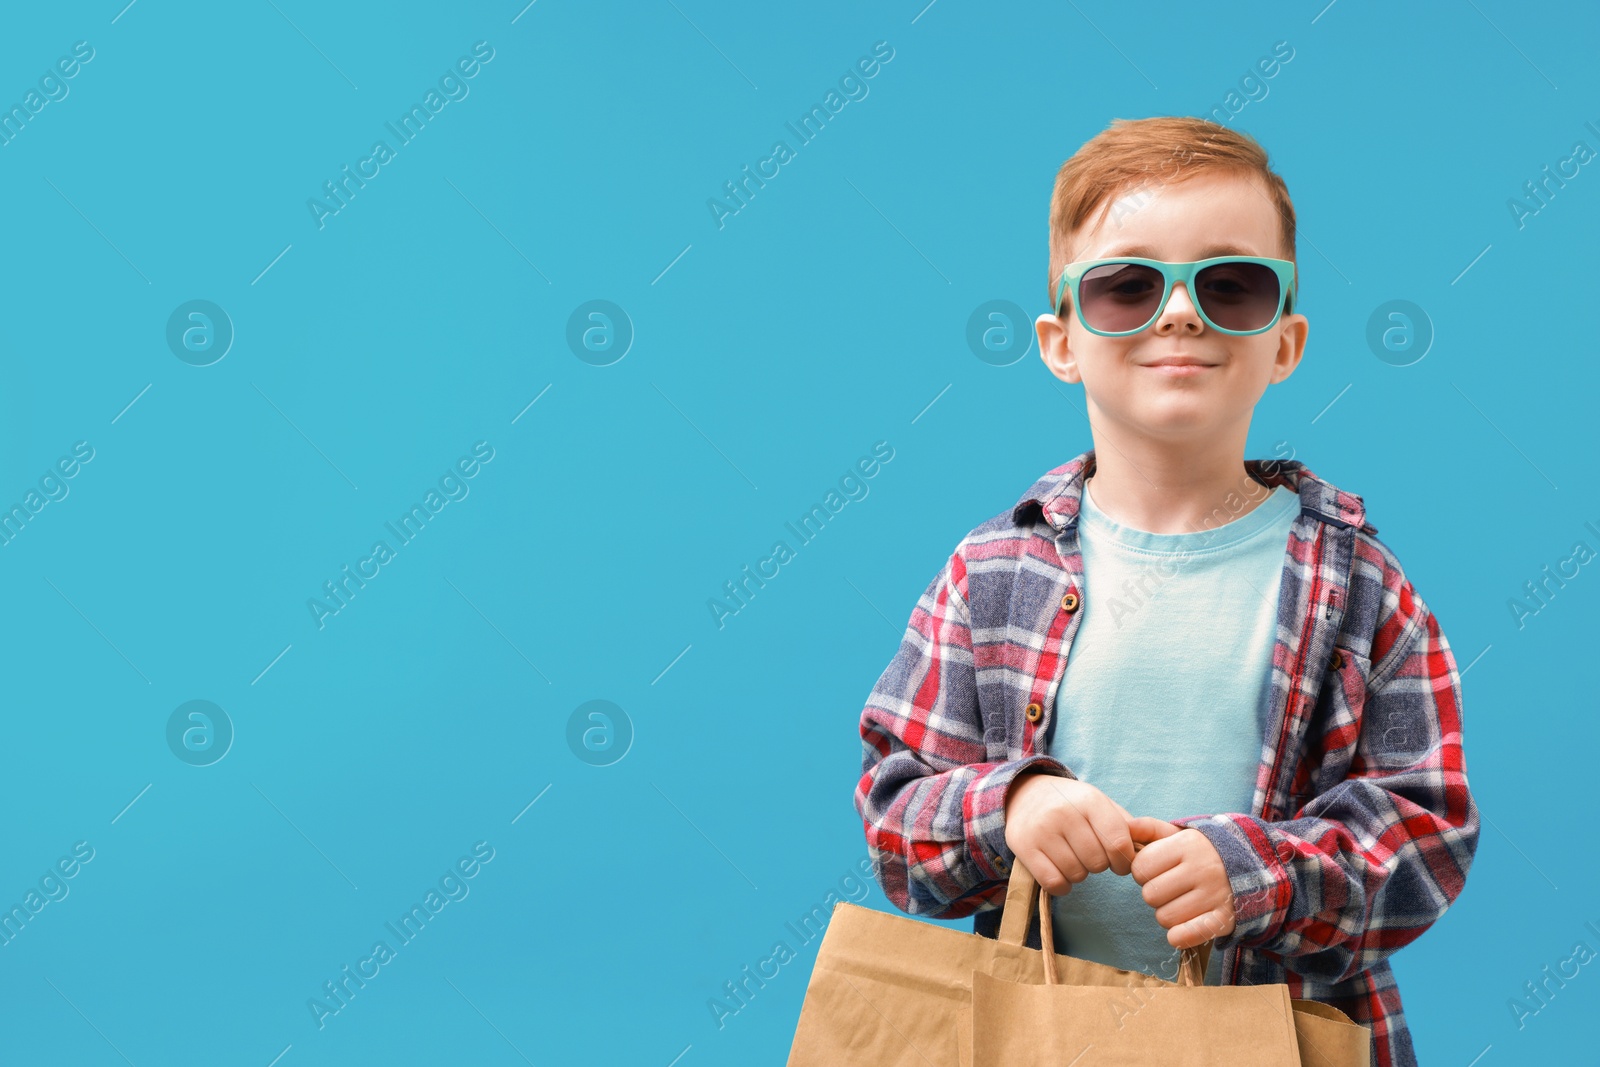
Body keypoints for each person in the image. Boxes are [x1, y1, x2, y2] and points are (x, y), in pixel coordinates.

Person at [853, 115, 1478, 1067]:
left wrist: (1258, 875)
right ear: (1061, 340)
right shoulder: (990, 574)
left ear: (1286, 341)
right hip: (1040, 1042)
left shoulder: (1358, 583)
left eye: (1231, 285)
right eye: (1127, 286)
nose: (1178, 313)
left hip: (1278, 1038)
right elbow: (897, 820)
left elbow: (1427, 837)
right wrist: (1008, 808)